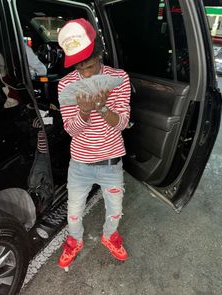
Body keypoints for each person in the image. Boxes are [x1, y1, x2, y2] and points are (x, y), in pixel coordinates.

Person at [57, 18, 131, 269]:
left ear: (99, 54)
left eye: (89, 66)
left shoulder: (119, 78)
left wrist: (101, 106)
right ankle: (74, 241)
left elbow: (121, 124)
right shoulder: (66, 84)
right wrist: (84, 112)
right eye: (80, 69)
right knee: (74, 212)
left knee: (115, 211)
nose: (85, 74)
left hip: (111, 163)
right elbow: (70, 130)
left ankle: (109, 236)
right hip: (80, 163)